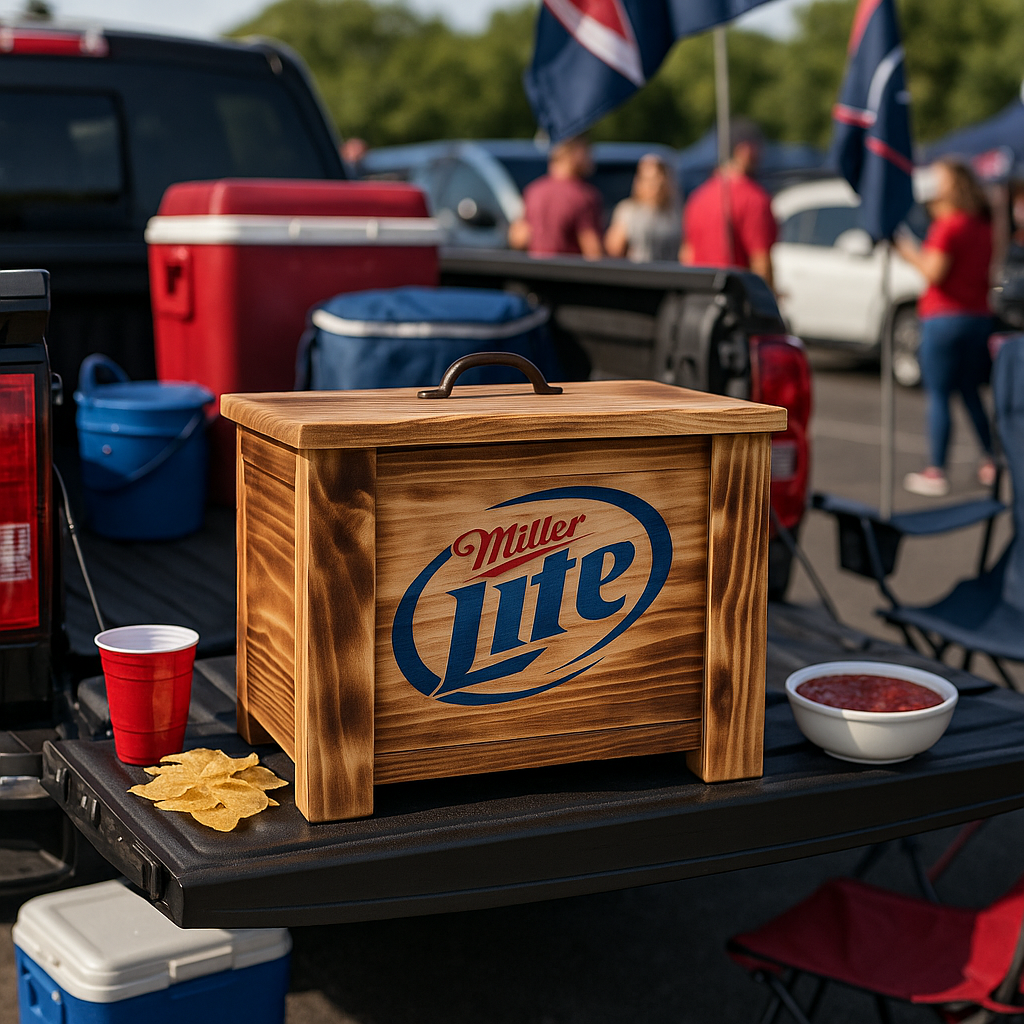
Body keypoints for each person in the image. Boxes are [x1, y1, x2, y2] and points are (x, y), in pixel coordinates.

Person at [896, 160, 995, 497]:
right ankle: (990, 459)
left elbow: (933, 272)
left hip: (943, 319)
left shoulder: (949, 226)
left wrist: (904, 249)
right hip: (978, 317)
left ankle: (936, 469)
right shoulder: (982, 225)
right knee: (970, 393)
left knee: (938, 394)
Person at [680, 118, 777, 290]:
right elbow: (760, 261)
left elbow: (687, 255)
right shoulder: (753, 198)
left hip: (698, 296)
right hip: (736, 299)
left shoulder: (698, 197)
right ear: (744, 150)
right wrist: (768, 301)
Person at [508, 136, 604, 259]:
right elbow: (594, 254)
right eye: (587, 151)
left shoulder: (533, 191)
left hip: (535, 273)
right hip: (568, 274)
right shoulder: (584, 196)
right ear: (576, 153)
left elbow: (517, 239)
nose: (591, 158)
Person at [604, 153, 681, 262]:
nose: (653, 185)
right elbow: (614, 249)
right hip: (638, 273)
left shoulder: (674, 212)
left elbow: (685, 251)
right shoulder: (628, 210)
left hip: (670, 273)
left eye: (657, 179)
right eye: (648, 179)